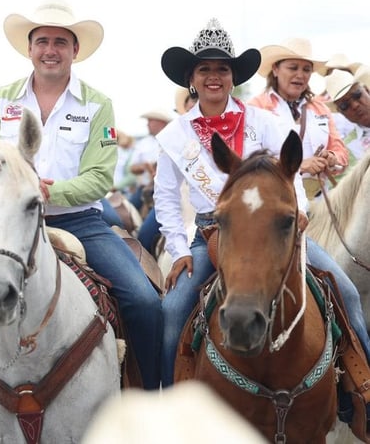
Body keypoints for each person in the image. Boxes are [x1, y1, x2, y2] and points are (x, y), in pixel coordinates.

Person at [0, 0, 163, 426]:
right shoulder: (2, 100)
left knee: (146, 302)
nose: (50, 49)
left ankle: (148, 412)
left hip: (79, 221)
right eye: (42, 42)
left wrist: (48, 190)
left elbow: (99, 176)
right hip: (7, 225)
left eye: (60, 42)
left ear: (75, 50)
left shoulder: (98, 105)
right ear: (29, 49)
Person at [154, 19, 370, 392]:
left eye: (222, 68)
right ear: (191, 77)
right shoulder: (175, 136)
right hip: (212, 230)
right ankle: (170, 401)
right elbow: (167, 197)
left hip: (275, 226)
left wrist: (298, 212)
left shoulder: (263, 121)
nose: (214, 77)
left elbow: (289, 170)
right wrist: (176, 250)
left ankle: (361, 389)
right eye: (204, 69)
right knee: (173, 312)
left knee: (346, 290)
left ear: (233, 76)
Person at [248, 38, 348, 199]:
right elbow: (250, 161)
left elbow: (341, 152)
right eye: (293, 68)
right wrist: (298, 166)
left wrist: (331, 158)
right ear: (275, 69)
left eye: (307, 70)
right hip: (275, 202)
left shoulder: (320, 108)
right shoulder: (256, 108)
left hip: (320, 200)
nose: (300, 75)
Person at [128, 109, 173, 254]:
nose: (147, 124)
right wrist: (145, 167)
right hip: (146, 189)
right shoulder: (143, 143)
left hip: (170, 192)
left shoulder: (174, 138)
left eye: (150, 121)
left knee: (145, 235)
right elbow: (133, 168)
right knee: (125, 217)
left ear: (161, 123)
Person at [324, 67, 370, 169]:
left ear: (367, 90)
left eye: (357, 95)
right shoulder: (347, 149)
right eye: (345, 105)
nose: (355, 105)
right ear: (341, 112)